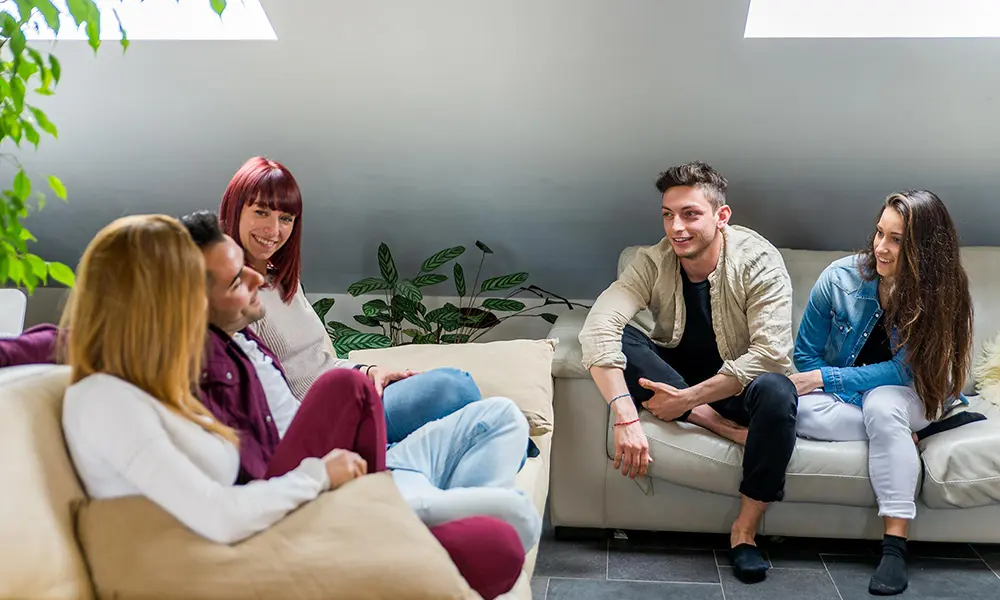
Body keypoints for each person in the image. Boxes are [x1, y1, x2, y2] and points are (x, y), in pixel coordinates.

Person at [2, 214, 536, 599]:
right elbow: (220, 512)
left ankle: (412, 498)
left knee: (494, 441)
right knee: (504, 530)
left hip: (294, 505)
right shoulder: (109, 398)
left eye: (287, 216)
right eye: (235, 279)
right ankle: (413, 499)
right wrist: (320, 476)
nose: (260, 274)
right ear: (174, 302)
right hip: (266, 527)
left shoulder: (183, 365)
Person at [579, 161, 798, 584]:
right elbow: (599, 327)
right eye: (667, 214)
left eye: (690, 214)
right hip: (676, 373)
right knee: (621, 338)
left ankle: (745, 532)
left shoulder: (759, 261)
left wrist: (685, 401)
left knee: (778, 390)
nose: (676, 227)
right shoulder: (653, 260)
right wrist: (626, 416)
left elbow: (771, 353)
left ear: (721, 216)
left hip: (738, 384)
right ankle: (719, 426)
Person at [790, 190, 977, 596]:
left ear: (924, 251)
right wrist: (830, 388)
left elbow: (901, 370)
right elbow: (804, 355)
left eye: (896, 240)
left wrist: (829, 382)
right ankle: (900, 435)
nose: (880, 247)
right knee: (795, 411)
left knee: (883, 401)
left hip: (915, 393)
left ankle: (894, 546)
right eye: (879, 233)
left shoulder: (939, 292)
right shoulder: (839, 278)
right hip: (858, 404)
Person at [217, 157, 481, 443]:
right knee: (455, 389)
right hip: (328, 418)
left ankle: (489, 433)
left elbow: (320, 363)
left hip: (352, 393)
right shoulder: (228, 298)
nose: (274, 230)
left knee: (458, 387)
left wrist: (368, 371)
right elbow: (262, 397)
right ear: (235, 210)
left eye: (285, 218)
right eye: (261, 212)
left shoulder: (281, 281)